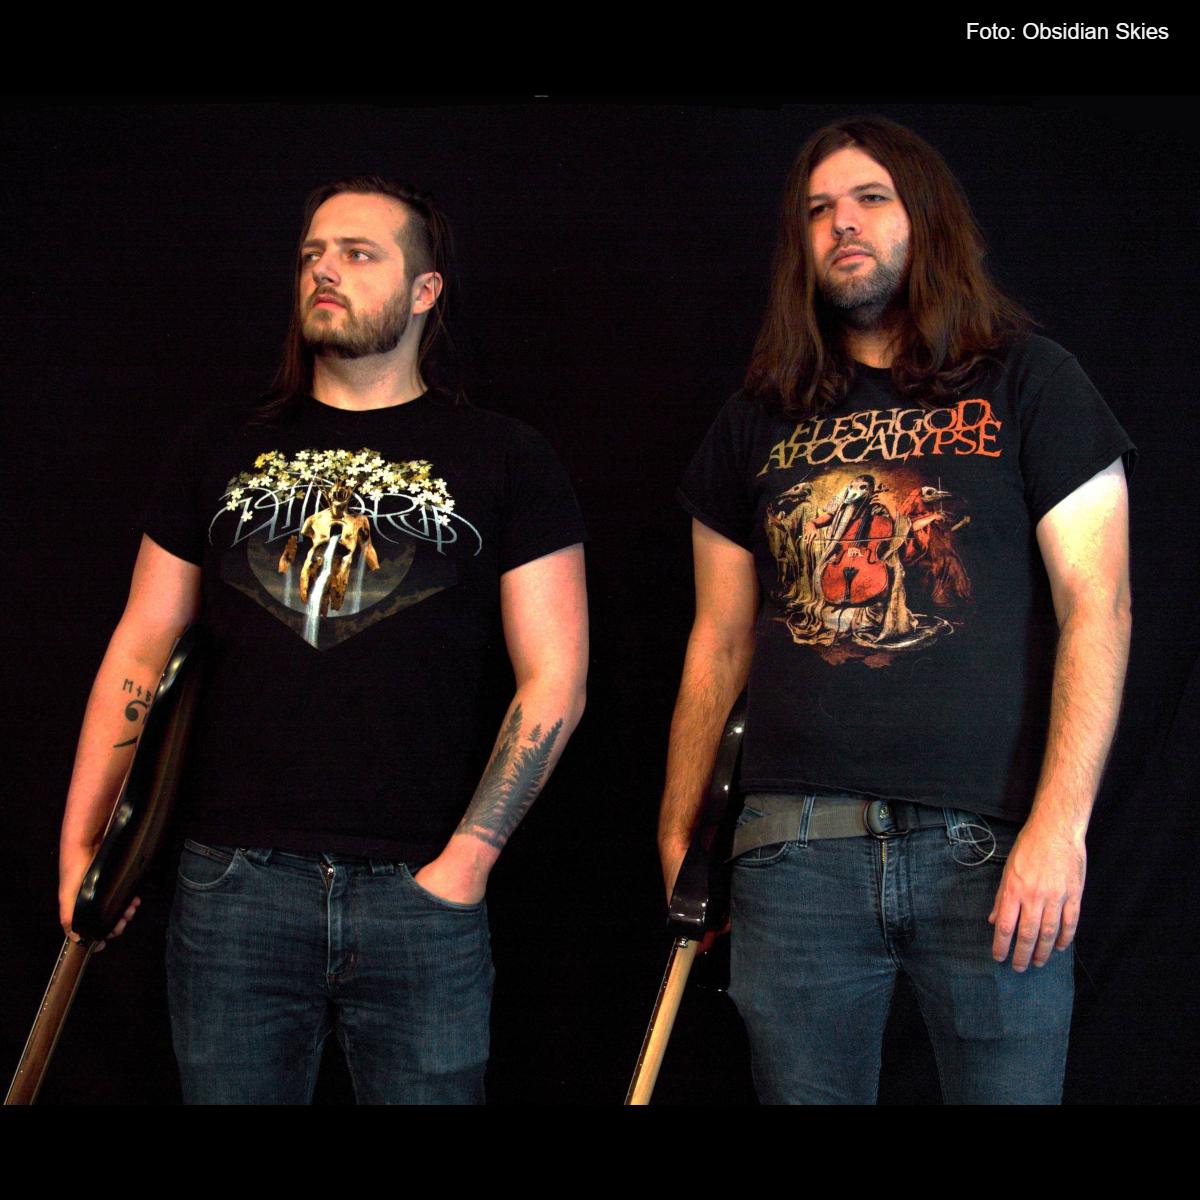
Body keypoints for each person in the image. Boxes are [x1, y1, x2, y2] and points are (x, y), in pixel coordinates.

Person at [57, 176, 588, 1104]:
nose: (324, 271)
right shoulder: (218, 446)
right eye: (312, 254)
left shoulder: (507, 458)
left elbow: (555, 677)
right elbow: (140, 651)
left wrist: (466, 863)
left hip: (422, 893)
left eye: (357, 253)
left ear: (425, 291)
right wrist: (84, 849)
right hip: (233, 890)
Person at [659, 117, 1133, 1104]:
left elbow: (1100, 605)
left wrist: (1061, 829)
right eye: (819, 209)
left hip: (988, 847)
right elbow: (719, 638)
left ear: (927, 217)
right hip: (793, 847)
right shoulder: (757, 414)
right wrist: (681, 826)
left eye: (871, 198)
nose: (843, 223)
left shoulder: (1031, 380)